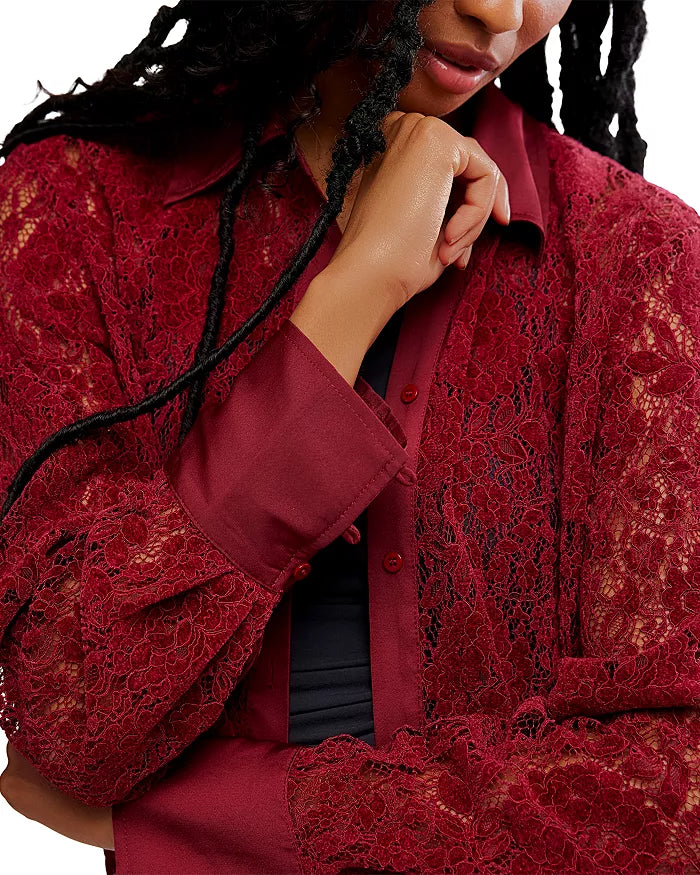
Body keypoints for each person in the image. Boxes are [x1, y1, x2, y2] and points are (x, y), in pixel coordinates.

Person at [0, 0, 698, 872]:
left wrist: (191, 816)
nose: (499, 10)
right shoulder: (76, 209)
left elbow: (676, 791)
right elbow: (69, 721)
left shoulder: (643, 264)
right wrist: (356, 290)